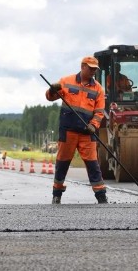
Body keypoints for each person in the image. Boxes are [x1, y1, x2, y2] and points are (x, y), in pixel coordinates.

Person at [45, 56, 108, 204]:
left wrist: (93, 125)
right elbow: (50, 97)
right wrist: (52, 90)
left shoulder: (98, 88)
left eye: (95, 69)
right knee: (62, 163)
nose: (93, 71)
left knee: (93, 164)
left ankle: (101, 196)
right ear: (82, 66)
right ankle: (57, 194)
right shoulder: (66, 82)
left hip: (88, 133)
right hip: (68, 132)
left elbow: (99, 112)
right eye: (90, 68)